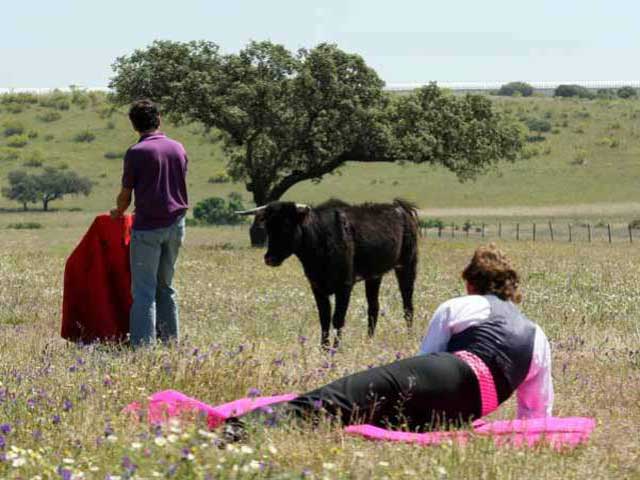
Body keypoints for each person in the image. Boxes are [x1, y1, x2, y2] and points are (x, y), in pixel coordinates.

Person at [224, 244, 553, 438]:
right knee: (374, 415)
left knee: (337, 401)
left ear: (470, 282)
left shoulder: (461, 305)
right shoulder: (537, 336)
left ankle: (236, 430)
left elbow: (426, 361)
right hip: (471, 408)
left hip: (443, 378)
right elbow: (536, 408)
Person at [110, 99, 189, 346]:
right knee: (166, 286)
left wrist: (118, 211)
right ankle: (171, 342)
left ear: (134, 125)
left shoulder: (136, 153)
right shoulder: (177, 148)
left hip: (147, 229)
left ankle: (143, 347)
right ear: (159, 119)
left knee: (144, 291)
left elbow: (126, 193)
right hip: (176, 224)